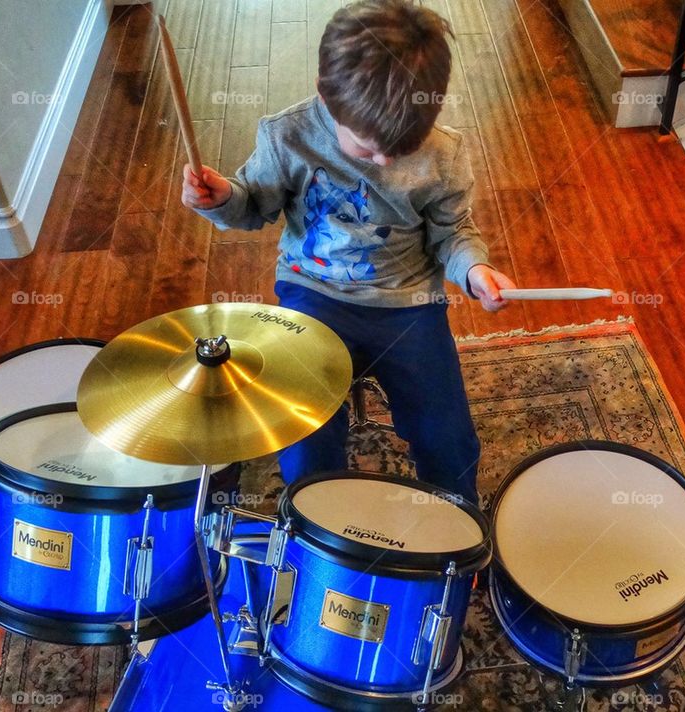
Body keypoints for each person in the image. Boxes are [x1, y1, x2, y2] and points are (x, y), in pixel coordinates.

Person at [181, 0, 516, 504]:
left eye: (403, 145)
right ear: (325, 93)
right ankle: (320, 522)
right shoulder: (287, 136)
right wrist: (223, 198)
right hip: (313, 294)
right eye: (366, 146)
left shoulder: (445, 154)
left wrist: (475, 270)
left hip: (407, 305)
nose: (383, 159)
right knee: (304, 438)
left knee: (449, 437)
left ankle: (458, 531)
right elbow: (252, 206)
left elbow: (453, 232)